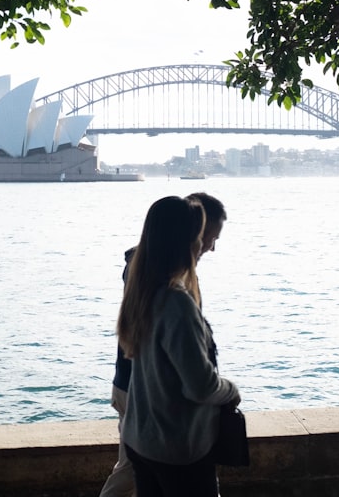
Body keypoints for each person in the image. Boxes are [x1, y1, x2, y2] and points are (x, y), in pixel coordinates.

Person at [99, 193, 227, 497]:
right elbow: (198, 381)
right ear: (194, 231)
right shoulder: (170, 295)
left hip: (134, 387)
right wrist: (228, 391)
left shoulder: (146, 271)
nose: (210, 245)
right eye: (209, 236)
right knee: (130, 471)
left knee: (135, 469)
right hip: (144, 393)